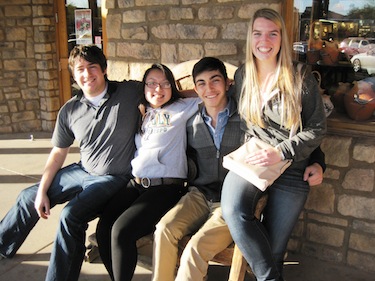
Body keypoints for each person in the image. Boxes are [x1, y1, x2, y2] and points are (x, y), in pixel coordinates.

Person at [152, 57, 326, 281]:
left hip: (230, 201)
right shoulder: (189, 119)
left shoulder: (247, 114)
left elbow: (294, 132)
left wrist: (318, 161)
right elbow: (163, 117)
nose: (210, 89)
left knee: (195, 249)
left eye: (215, 81)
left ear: (228, 84)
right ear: (195, 88)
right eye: (202, 84)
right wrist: (145, 107)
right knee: (163, 230)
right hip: (199, 195)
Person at [0, 45, 143, 281]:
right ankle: (4, 243)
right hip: (82, 170)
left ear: (104, 69)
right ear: (74, 75)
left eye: (92, 67)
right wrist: (43, 190)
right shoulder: (70, 109)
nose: (87, 74)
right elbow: (58, 153)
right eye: (80, 70)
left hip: (113, 177)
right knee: (28, 196)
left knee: (70, 216)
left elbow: (164, 86)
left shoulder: (128, 92)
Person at [221, 8, 327, 281]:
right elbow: (215, 95)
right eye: (258, 33)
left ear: (282, 38)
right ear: (250, 37)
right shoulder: (244, 75)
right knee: (233, 209)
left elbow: (316, 128)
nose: (264, 41)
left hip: (292, 167)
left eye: (272, 33)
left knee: (275, 251)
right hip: (254, 161)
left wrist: (286, 153)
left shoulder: (301, 77)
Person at [95, 63, 201, 281]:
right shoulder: (143, 111)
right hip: (136, 184)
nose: (158, 89)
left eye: (164, 84)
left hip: (166, 187)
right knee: (104, 228)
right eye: (151, 84)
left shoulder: (182, 107)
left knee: (121, 231)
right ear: (143, 87)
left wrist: (179, 93)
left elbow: (208, 92)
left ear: (172, 87)